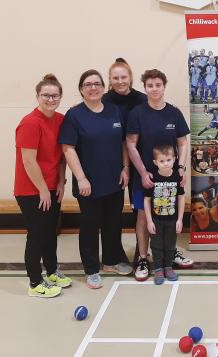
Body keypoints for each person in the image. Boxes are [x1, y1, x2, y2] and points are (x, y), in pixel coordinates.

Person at [60, 69, 129, 289]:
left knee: (113, 223)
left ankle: (110, 261)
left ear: (103, 87)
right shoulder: (74, 115)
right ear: (81, 89)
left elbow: (123, 143)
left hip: (114, 180)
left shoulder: (114, 110)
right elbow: (68, 149)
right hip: (88, 183)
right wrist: (81, 178)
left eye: (97, 84)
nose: (93, 87)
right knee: (90, 226)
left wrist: (125, 168)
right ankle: (91, 269)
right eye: (88, 84)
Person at [127, 69, 192, 281]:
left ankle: (170, 254)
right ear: (145, 88)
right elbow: (131, 144)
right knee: (145, 216)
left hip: (170, 179)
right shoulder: (137, 113)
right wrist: (143, 172)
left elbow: (183, 143)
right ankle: (144, 258)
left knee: (170, 216)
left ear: (164, 86)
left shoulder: (173, 112)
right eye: (150, 85)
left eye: (158, 85)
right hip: (145, 177)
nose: (154, 89)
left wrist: (181, 168)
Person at [14, 74, 71, 298]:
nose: (50, 99)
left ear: (60, 97)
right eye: (45, 95)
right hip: (31, 191)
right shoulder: (29, 123)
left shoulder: (60, 120)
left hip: (50, 187)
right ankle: (36, 283)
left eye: (54, 95)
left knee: (50, 233)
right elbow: (29, 161)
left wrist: (60, 181)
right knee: (37, 234)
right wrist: (43, 190)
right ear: (37, 96)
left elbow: (60, 156)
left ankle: (53, 271)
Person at [102, 57, 146, 273]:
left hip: (138, 162)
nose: (120, 81)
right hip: (113, 164)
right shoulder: (103, 100)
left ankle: (142, 253)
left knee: (141, 209)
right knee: (113, 212)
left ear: (130, 78)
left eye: (123, 77)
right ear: (110, 80)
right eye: (115, 78)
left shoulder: (142, 99)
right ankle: (114, 254)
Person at [144, 145, 185, 285]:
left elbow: (181, 197)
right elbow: (147, 200)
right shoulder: (152, 178)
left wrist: (180, 219)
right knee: (156, 246)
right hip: (156, 220)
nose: (166, 163)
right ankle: (158, 269)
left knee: (170, 245)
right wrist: (149, 221)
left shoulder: (177, 177)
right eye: (162, 161)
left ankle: (168, 267)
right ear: (155, 162)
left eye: (168, 159)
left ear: (174, 159)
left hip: (172, 220)